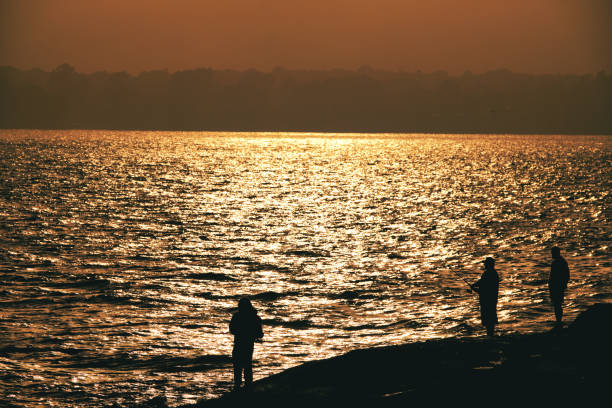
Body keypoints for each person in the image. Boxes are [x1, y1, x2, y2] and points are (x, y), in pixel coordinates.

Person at [230, 298, 263, 391]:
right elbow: (260, 333)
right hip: (248, 345)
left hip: (239, 344)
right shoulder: (255, 318)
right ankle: (248, 386)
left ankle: (237, 386)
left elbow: (232, 330)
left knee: (237, 366)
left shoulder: (236, 316)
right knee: (247, 365)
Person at [471, 257, 499, 336]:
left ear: (488, 264)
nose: (484, 265)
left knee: (488, 320)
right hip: (492, 300)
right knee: (490, 320)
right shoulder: (493, 273)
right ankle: (490, 335)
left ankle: (490, 336)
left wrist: (474, 287)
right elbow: (482, 284)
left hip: (487, 300)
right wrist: (474, 286)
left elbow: (483, 288)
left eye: (485, 263)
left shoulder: (487, 274)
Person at [548, 246, 570, 327]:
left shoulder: (559, 262)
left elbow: (565, 276)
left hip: (557, 287)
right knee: (557, 304)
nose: (551, 255)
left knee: (557, 304)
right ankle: (558, 321)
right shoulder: (560, 261)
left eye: (552, 253)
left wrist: (562, 285)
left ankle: (559, 321)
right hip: (557, 286)